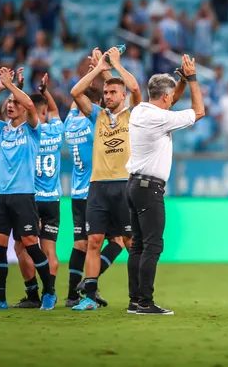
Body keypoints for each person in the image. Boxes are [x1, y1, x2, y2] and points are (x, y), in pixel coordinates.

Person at [126, 54, 204, 315]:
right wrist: (192, 79)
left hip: (134, 185)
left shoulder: (141, 110)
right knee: (152, 245)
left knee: (137, 245)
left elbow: (172, 102)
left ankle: (135, 300)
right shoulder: (160, 118)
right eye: (171, 97)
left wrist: (179, 80)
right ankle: (146, 303)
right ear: (165, 98)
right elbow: (199, 111)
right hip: (150, 189)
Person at [0, 67, 57, 310]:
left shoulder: (33, 129)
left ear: (23, 107)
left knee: (31, 244)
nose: (10, 105)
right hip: (0, 196)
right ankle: (0, 298)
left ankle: (49, 292)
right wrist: (1, 87)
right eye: (8, 103)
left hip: (23, 195)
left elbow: (32, 107)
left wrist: (12, 86)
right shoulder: (2, 130)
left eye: (14, 102)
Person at [70, 46, 142, 311]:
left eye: (113, 92)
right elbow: (75, 92)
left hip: (125, 185)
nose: (108, 96)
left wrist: (117, 66)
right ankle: (89, 297)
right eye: (106, 92)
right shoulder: (96, 116)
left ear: (121, 95)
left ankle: (136, 297)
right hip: (98, 187)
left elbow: (135, 89)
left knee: (130, 243)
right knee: (94, 242)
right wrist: (99, 70)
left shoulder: (134, 115)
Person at [12, 73, 65, 308]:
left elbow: (21, 115)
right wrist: (46, 91)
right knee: (49, 249)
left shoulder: (28, 132)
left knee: (21, 246)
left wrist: (18, 88)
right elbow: (54, 112)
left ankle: (33, 292)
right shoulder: (55, 131)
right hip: (52, 199)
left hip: (30, 199)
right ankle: (49, 294)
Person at [63, 85, 101, 307]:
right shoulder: (91, 122)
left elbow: (74, 100)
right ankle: (89, 284)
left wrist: (86, 82)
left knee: (80, 244)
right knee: (116, 240)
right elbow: (87, 105)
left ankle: (71, 295)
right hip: (93, 190)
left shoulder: (70, 122)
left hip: (76, 192)